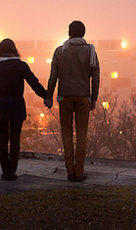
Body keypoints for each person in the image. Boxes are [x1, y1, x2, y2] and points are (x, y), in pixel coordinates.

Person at [45, 21, 100, 182]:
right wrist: (94, 98)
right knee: (82, 135)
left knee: (67, 134)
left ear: (69, 33)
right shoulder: (90, 51)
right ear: (83, 33)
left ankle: (70, 171)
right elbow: (95, 77)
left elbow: (53, 76)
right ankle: (79, 171)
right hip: (83, 97)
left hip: (65, 97)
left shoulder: (60, 51)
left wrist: (49, 97)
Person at [0, 38, 47, 180]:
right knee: (15, 138)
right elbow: (34, 82)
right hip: (16, 105)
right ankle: (12, 171)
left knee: (2, 140)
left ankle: (4, 171)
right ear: (14, 50)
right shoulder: (20, 65)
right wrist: (46, 96)